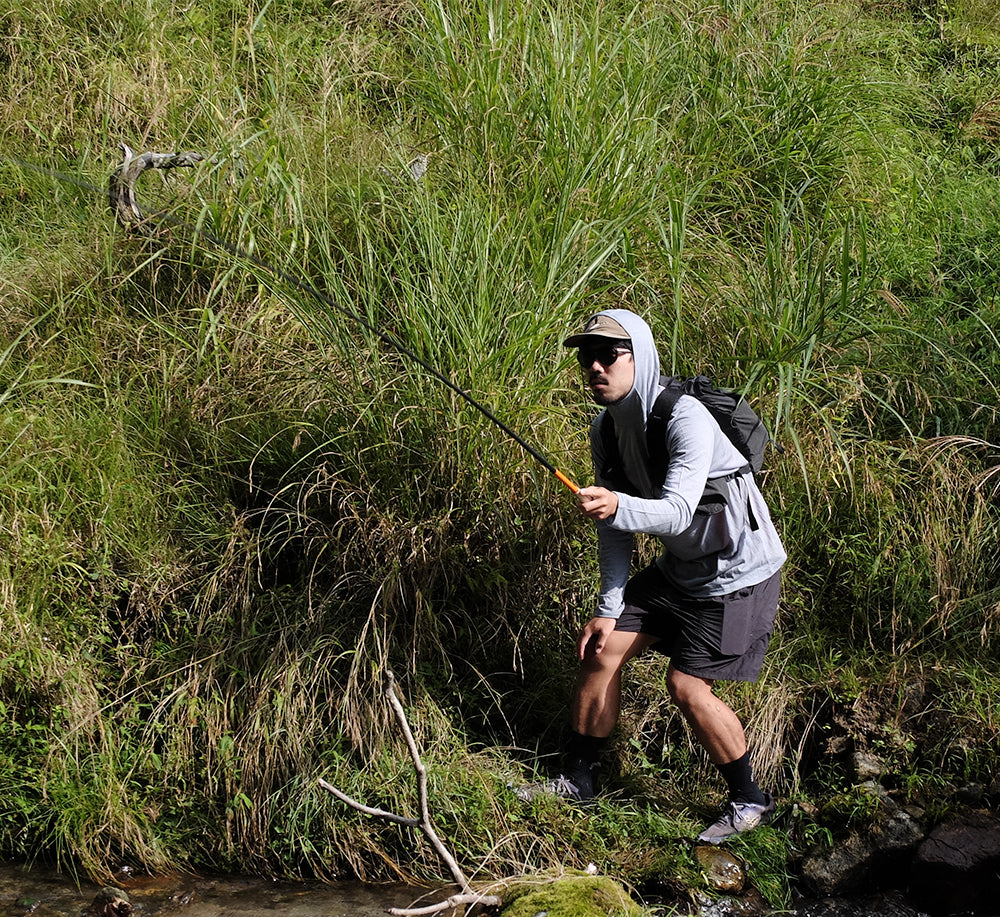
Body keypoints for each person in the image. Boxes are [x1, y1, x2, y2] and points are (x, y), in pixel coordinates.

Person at [525, 308, 787, 845]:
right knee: (601, 650)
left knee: (686, 686)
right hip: (678, 571)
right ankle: (578, 780)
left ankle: (749, 798)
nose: (594, 366)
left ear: (639, 358)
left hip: (739, 576)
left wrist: (616, 503)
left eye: (608, 355)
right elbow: (615, 528)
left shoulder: (685, 416)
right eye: (585, 357)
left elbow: (676, 511)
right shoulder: (606, 428)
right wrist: (607, 605)